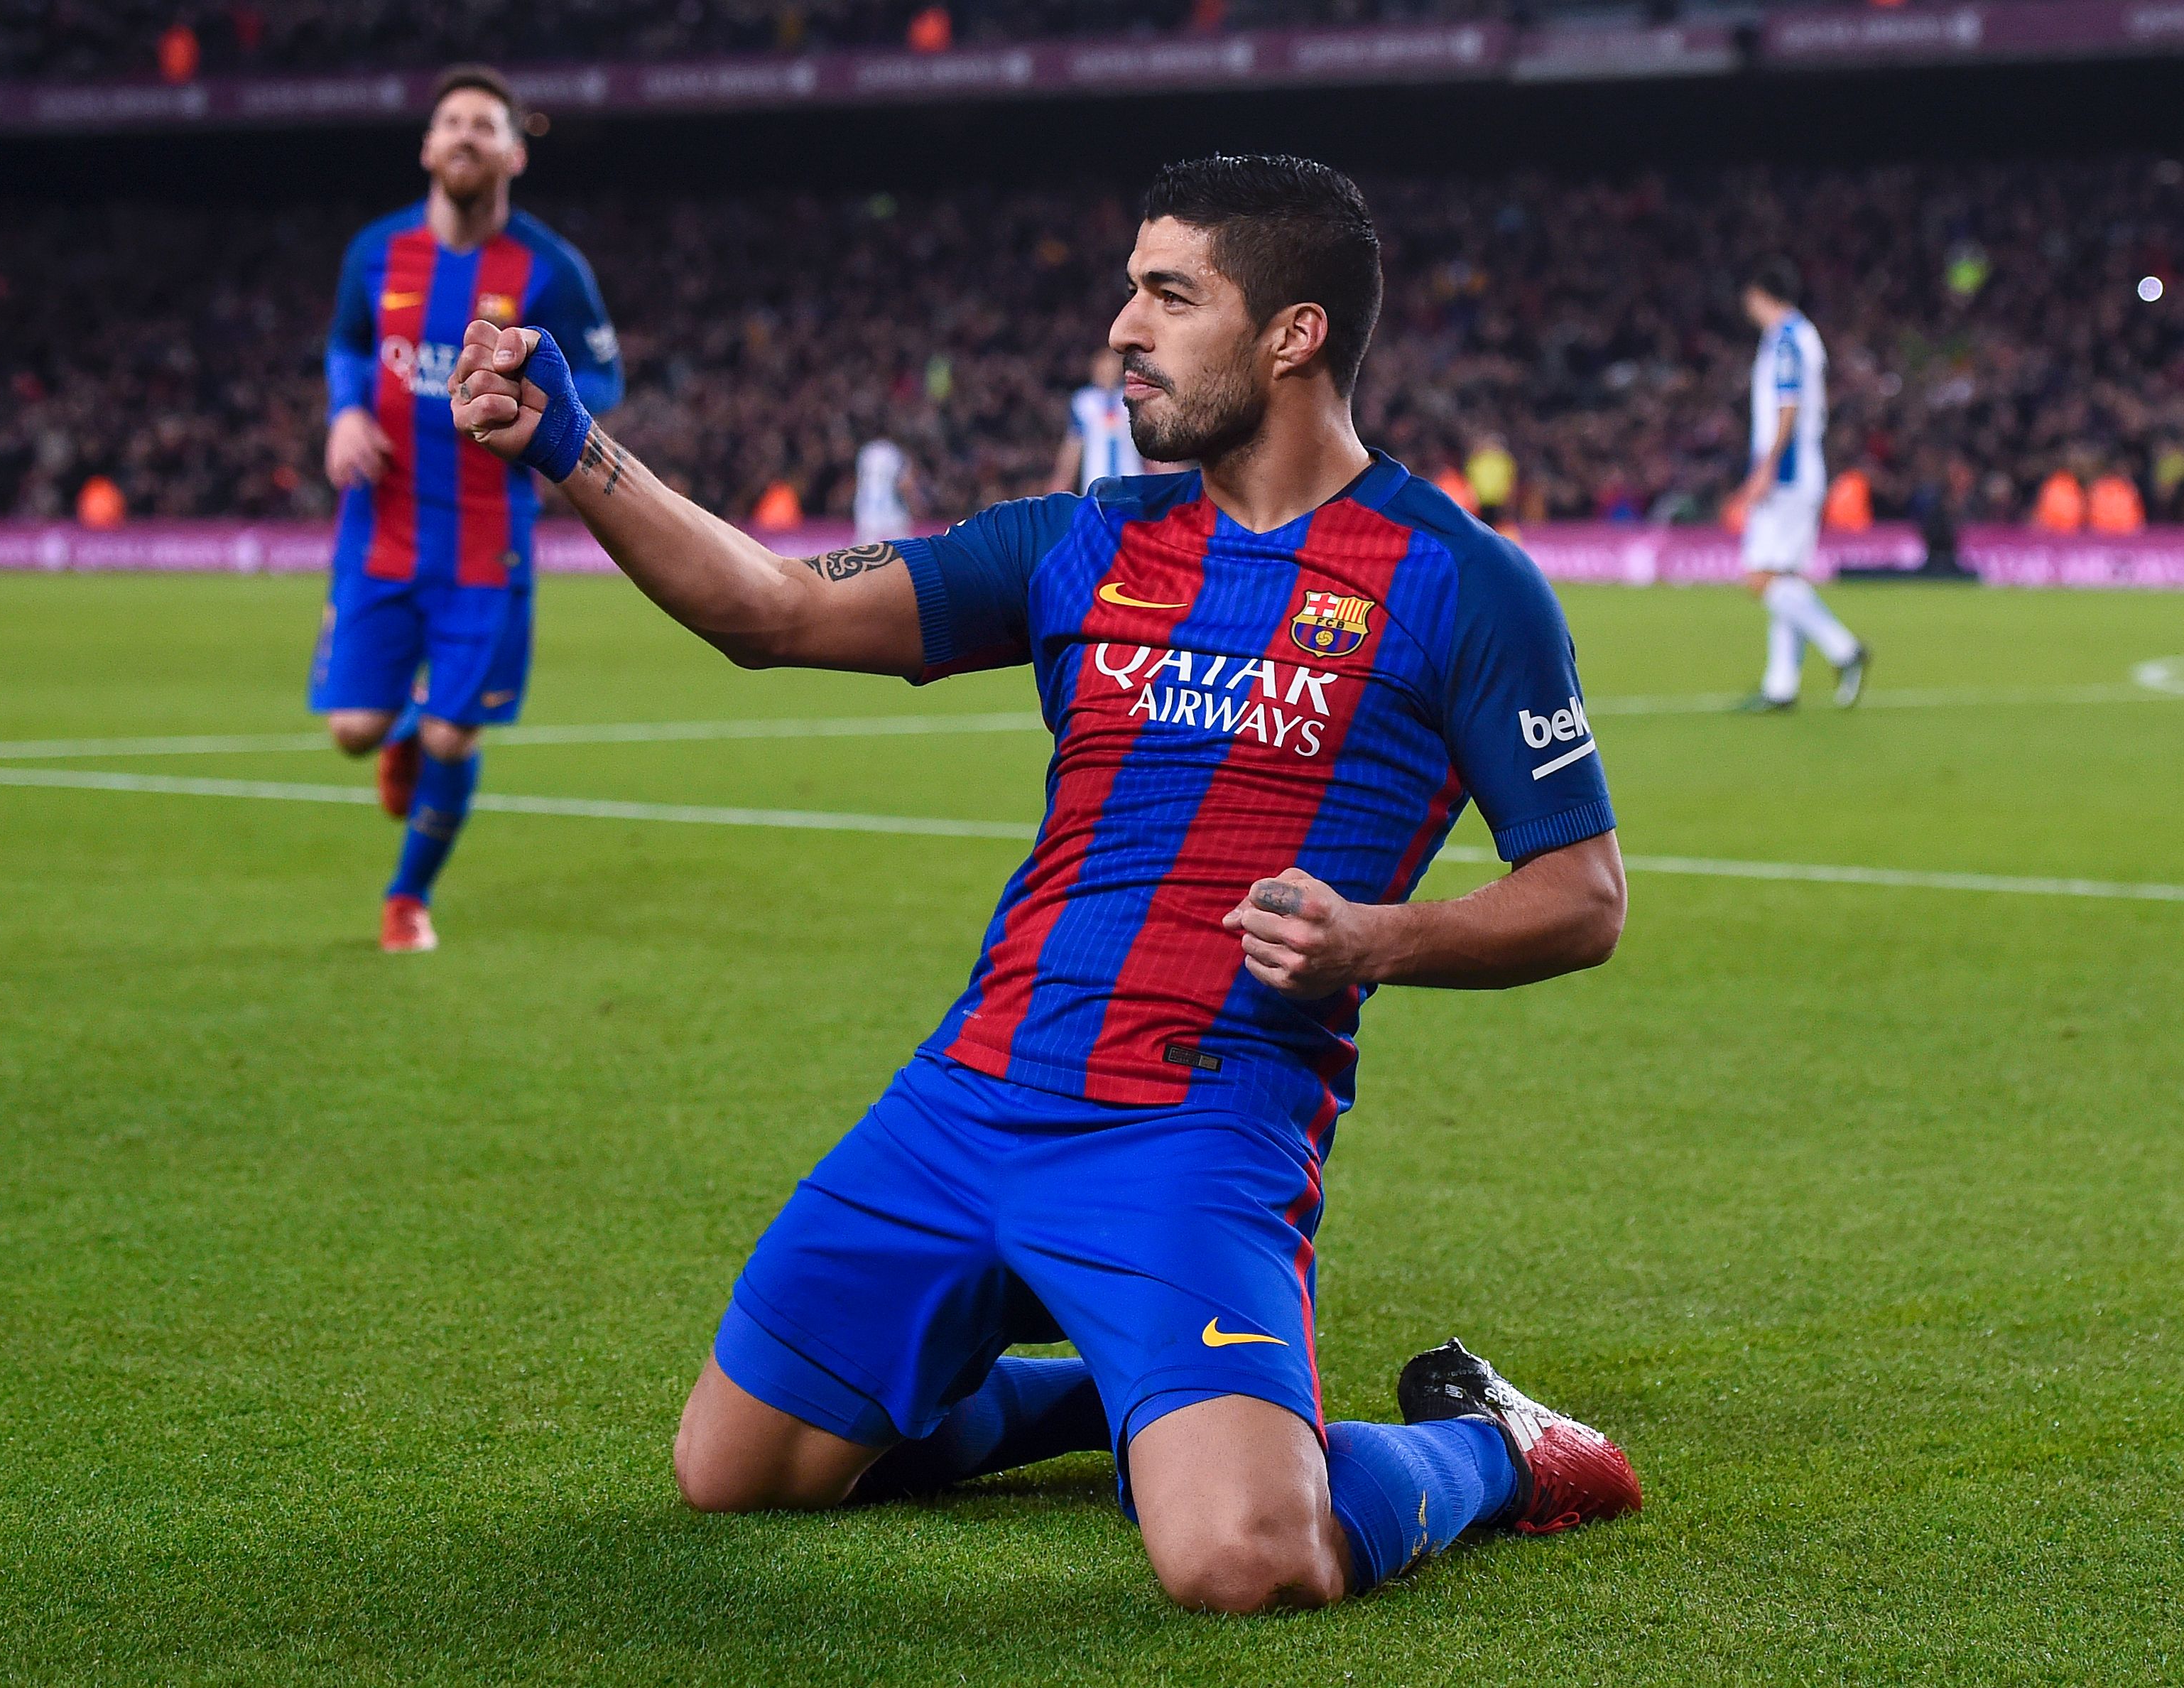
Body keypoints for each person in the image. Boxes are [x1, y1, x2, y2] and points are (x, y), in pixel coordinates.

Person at [448, 154, 1639, 1613]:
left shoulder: (1462, 581)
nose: (1123, 328)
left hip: (1196, 1126)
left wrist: (1379, 939)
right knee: (735, 1473)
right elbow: (766, 610)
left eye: (1168, 293)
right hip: (968, 1100)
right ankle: (1119, 1399)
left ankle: (1493, 1448)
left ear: (1294, 334)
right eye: (1128, 291)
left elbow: (1584, 895)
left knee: (1246, 1561)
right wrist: (571, 443)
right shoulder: (1080, 541)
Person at [310, 63, 623, 953]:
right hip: (381, 526)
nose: (465, 137)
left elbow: (604, 376)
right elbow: (346, 342)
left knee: (456, 734)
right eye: (452, 122)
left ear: (515, 152)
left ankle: (407, 898)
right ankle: (400, 725)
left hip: (488, 541)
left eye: (485, 126)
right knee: (353, 732)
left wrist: (540, 394)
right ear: (427, 146)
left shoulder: (551, 268)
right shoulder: (375, 251)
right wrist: (344, 414)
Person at [1732, 259, 1869, 713]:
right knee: (1784, 577)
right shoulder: (1801, 336)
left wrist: (1768, 466)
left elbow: (1788, 405)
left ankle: (1844, 649)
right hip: (1801, 465)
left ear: (1760, 294)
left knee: (1760, 577)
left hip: (1787, 470)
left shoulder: (1787, 339)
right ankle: (1781, 686)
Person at [1050, 347, 1143, 492]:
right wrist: (1062, 479)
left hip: (1131, 479)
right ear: (1095, 369)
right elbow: (1074, 444)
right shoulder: (1084, 402)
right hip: (1096, 480)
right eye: (1104, 368)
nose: (1108, 373)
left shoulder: (1133, 399)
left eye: (1112, 368)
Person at [851, 435, 921, 543]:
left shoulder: (867, 451)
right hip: (893, 512)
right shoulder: (895, 453)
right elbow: (905, 484)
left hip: (867, 511)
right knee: (902, 552)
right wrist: (915, 504)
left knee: (864, 553)